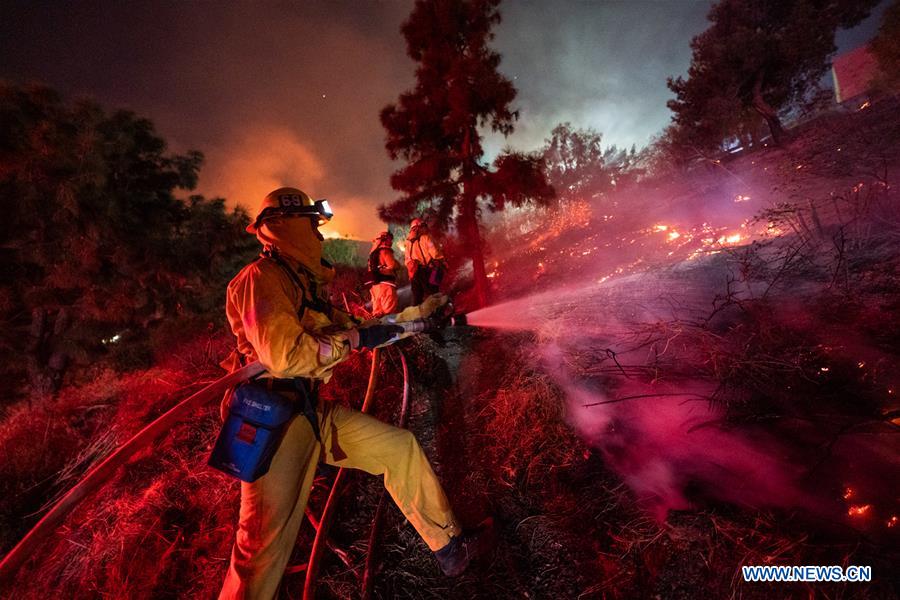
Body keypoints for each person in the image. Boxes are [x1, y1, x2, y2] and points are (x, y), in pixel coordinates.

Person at [217, 188, 487, 599]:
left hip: (310, 411)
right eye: (312, 224)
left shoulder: (302, 283)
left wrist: (419, 317)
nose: (319, 236)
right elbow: (287, 355)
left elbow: (358, 328)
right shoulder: (261, 280)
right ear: (288, 226)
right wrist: (354, 341)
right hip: (275, 425)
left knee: (400, 448)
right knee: (259, 556)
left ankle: (450, 548)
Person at [405, 217, 445, 305]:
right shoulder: (426, 238)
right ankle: (437, 314)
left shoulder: (408, 242)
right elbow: (434, 253)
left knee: (417, 298)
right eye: (423, 226)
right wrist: (442, 259)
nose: (425, 228)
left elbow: (407, 260)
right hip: (427, 271)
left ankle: (417, 316)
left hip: (414, 274)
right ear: (419, 227)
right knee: (434, 294)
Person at [366, 230, 400, 316]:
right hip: (386, 286)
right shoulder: (385, 250)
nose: (391, 242)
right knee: (389, 310)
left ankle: (378, 327)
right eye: (390, 239)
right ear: (385, 239)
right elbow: (392, 265)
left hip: (375, 287)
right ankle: (390, 328)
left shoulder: (372, 253)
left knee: (377, 312)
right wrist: (397, 264)